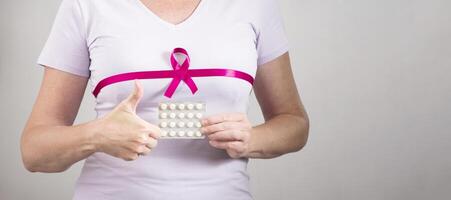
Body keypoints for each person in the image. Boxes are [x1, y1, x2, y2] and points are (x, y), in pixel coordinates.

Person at [20, 0, 310, 199]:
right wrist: (97, 135)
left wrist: (253, 139)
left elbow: (294, 123)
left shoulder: (253, 5)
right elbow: (34, 151)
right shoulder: (87, 6)